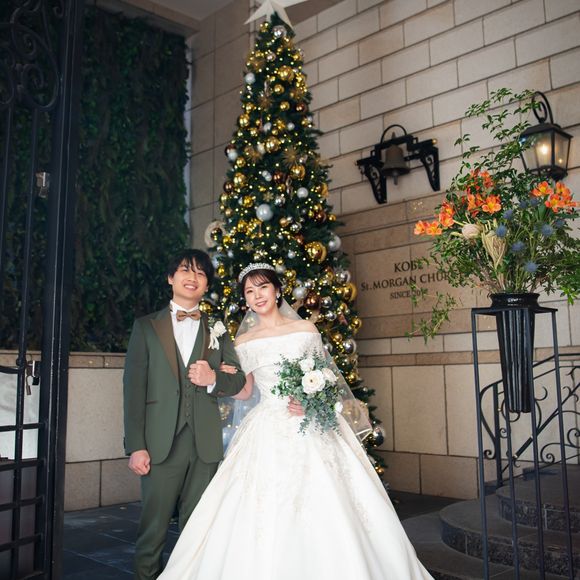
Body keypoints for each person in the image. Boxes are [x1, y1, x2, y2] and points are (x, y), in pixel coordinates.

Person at [158, 263, 434, 580]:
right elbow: (245, 391)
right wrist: (215, 379)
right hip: (266, 427)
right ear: (245, 300)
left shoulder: (306, 330)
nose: (257, 295)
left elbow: (328, 379)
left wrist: (311, 400)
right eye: (249, 291)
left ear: (277, 290)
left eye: (263, 287)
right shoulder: (244, 341)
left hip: (310, 424)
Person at [123, 249, 247, 580]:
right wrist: (136, 445)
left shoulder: (217, 328)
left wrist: (213, 378)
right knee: (153, 528)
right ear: (171, 278)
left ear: (206, 284)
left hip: (205, 443)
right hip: (159, 443)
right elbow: (133, 390)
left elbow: (237, 380)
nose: (192, 278)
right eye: (185, 270)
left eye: (201, 273)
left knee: (198, 530)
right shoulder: (146, 327)